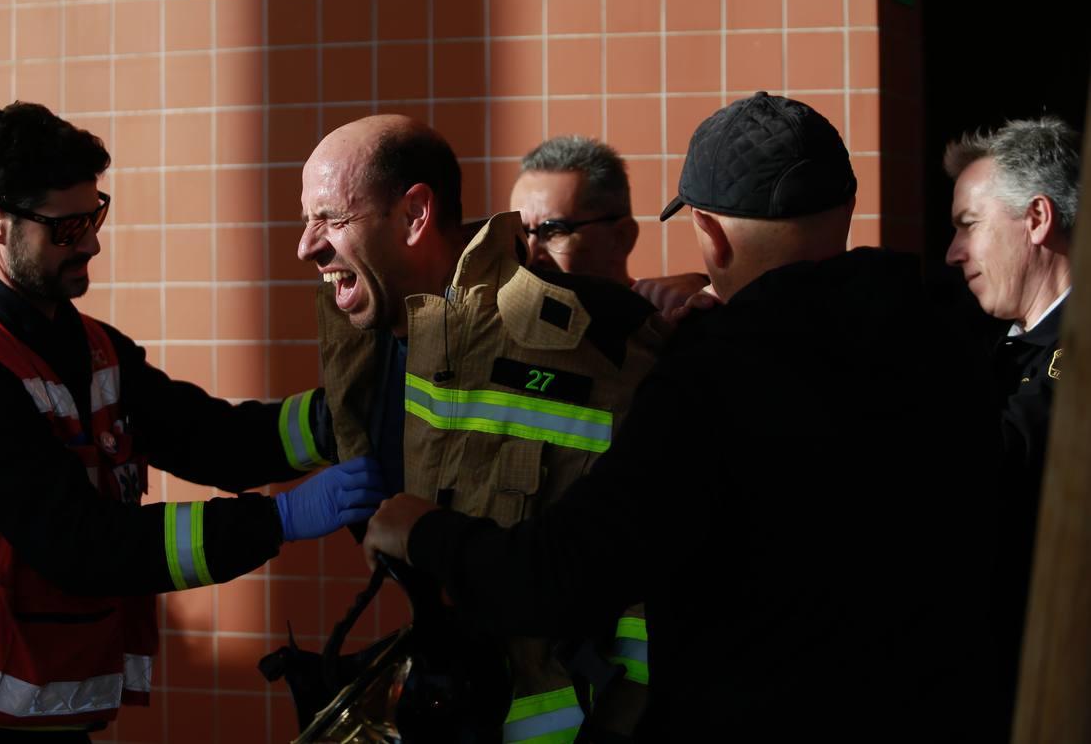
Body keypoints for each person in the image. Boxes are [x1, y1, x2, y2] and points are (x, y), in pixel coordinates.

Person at [364, 92, 1002, 742]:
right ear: (844, 205)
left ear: (710, 233)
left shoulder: (712, 378)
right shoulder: (951, 336)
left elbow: (566, 571)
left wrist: (425, 532)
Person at [0, 102, 384, 742]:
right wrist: (276, 520)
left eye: (96, 215)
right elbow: (82, 545)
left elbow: (208, 438)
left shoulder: (91, 348)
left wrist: (344, 419)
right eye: (66, 227)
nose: (91, 241)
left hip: (41, 717)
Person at [296, 115, 669, 741]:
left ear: (415, 215)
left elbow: (652, 576)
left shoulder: (602, 345)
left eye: (330, 219)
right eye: (305, 219)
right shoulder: (363, 345)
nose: (306, 246)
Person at [943, 115, 1081, 726]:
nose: (954, 252)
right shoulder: (995, 339)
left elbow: (1000, 462)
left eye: (968, 226)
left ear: (1037, 220)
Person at [512, 135, 711, 318]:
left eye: (554, 230)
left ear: (621, 238)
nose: (529, 252)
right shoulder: (494, 323)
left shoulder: (666, 316)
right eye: (518, 231)